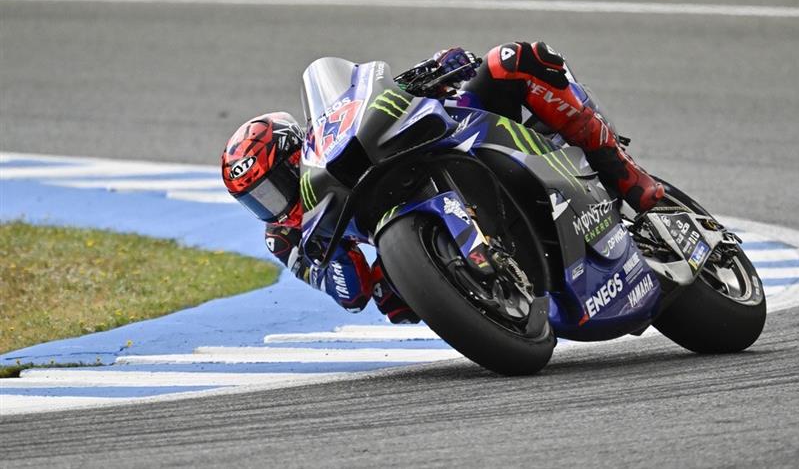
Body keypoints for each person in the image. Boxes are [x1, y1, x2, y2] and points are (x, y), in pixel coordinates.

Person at [221, 43, 665, 324]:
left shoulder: (332, 139)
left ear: (296, 156)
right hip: (417, 255)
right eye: (256, 201)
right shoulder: (285, 239)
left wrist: (433, 71)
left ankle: (626, 174)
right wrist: (329, 253)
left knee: (512, 60)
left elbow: (384, 98)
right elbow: (350, 293)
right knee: (393, 298)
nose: (273, 205)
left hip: (456, 142)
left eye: (273, 187)